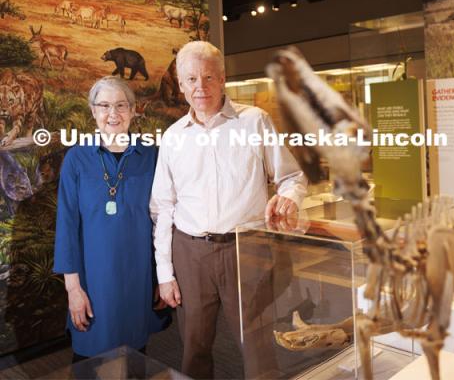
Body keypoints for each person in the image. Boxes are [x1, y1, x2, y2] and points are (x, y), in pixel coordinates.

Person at [150, 41, 307, 379]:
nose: (200, 87)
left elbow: (291, 177)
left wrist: (290, 197)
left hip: (246, 249)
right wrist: (165, 274)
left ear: (222, 78)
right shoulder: (174, 137)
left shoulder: (254, 122)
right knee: (194, 346)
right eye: (191, 79)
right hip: (190, 253)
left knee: (257, 347)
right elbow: (162, 208)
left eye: (208, 77)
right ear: (180, 86)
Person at [54, 76, 170, 362]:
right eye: (104, 105)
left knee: (134, 358)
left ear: (133, 110)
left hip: (138, 277)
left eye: (121, 105)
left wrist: (162, 276)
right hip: (93, 281)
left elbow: (164, 219)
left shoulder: (153, 156)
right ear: (93, 111)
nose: (113, 114)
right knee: (90, 359)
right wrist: (73, 289)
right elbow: (66, 226)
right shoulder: (76, 159)